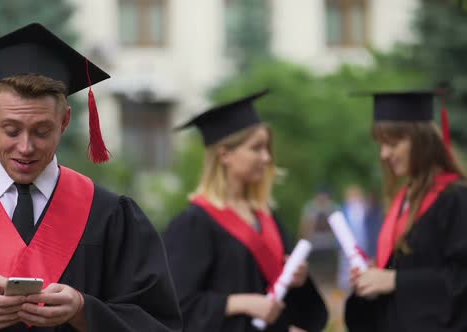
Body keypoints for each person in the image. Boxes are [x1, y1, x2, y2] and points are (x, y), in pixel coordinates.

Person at [0, 23, 182, 332]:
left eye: (41, 131)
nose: (25, 148)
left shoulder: (111, 217)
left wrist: (84, 311)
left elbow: (159, 325)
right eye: (11, 130)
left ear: (64, 121)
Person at [163, 90, 328, 332]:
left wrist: (299, 282)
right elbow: (176, 308)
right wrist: (238, 303)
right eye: (256, 148)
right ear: (225, 154)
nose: (267, 157)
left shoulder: (267, 218)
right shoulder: (193, 224)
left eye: (267, 148)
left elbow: (293, 311)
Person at [345, 90, 467, 332]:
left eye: (393, 143)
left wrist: (394, 280)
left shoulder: (455, 198)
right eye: (381, 145)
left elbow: (461, 278)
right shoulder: (404, 201)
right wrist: (373, 279)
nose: (384, 154)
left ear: (421, 140)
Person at [299, 186, 340, 285]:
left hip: (329, 246)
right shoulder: (310, 207)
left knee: (329, 274)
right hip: (314, 246)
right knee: (315, 274)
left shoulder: (334, 207)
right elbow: (305, 226)